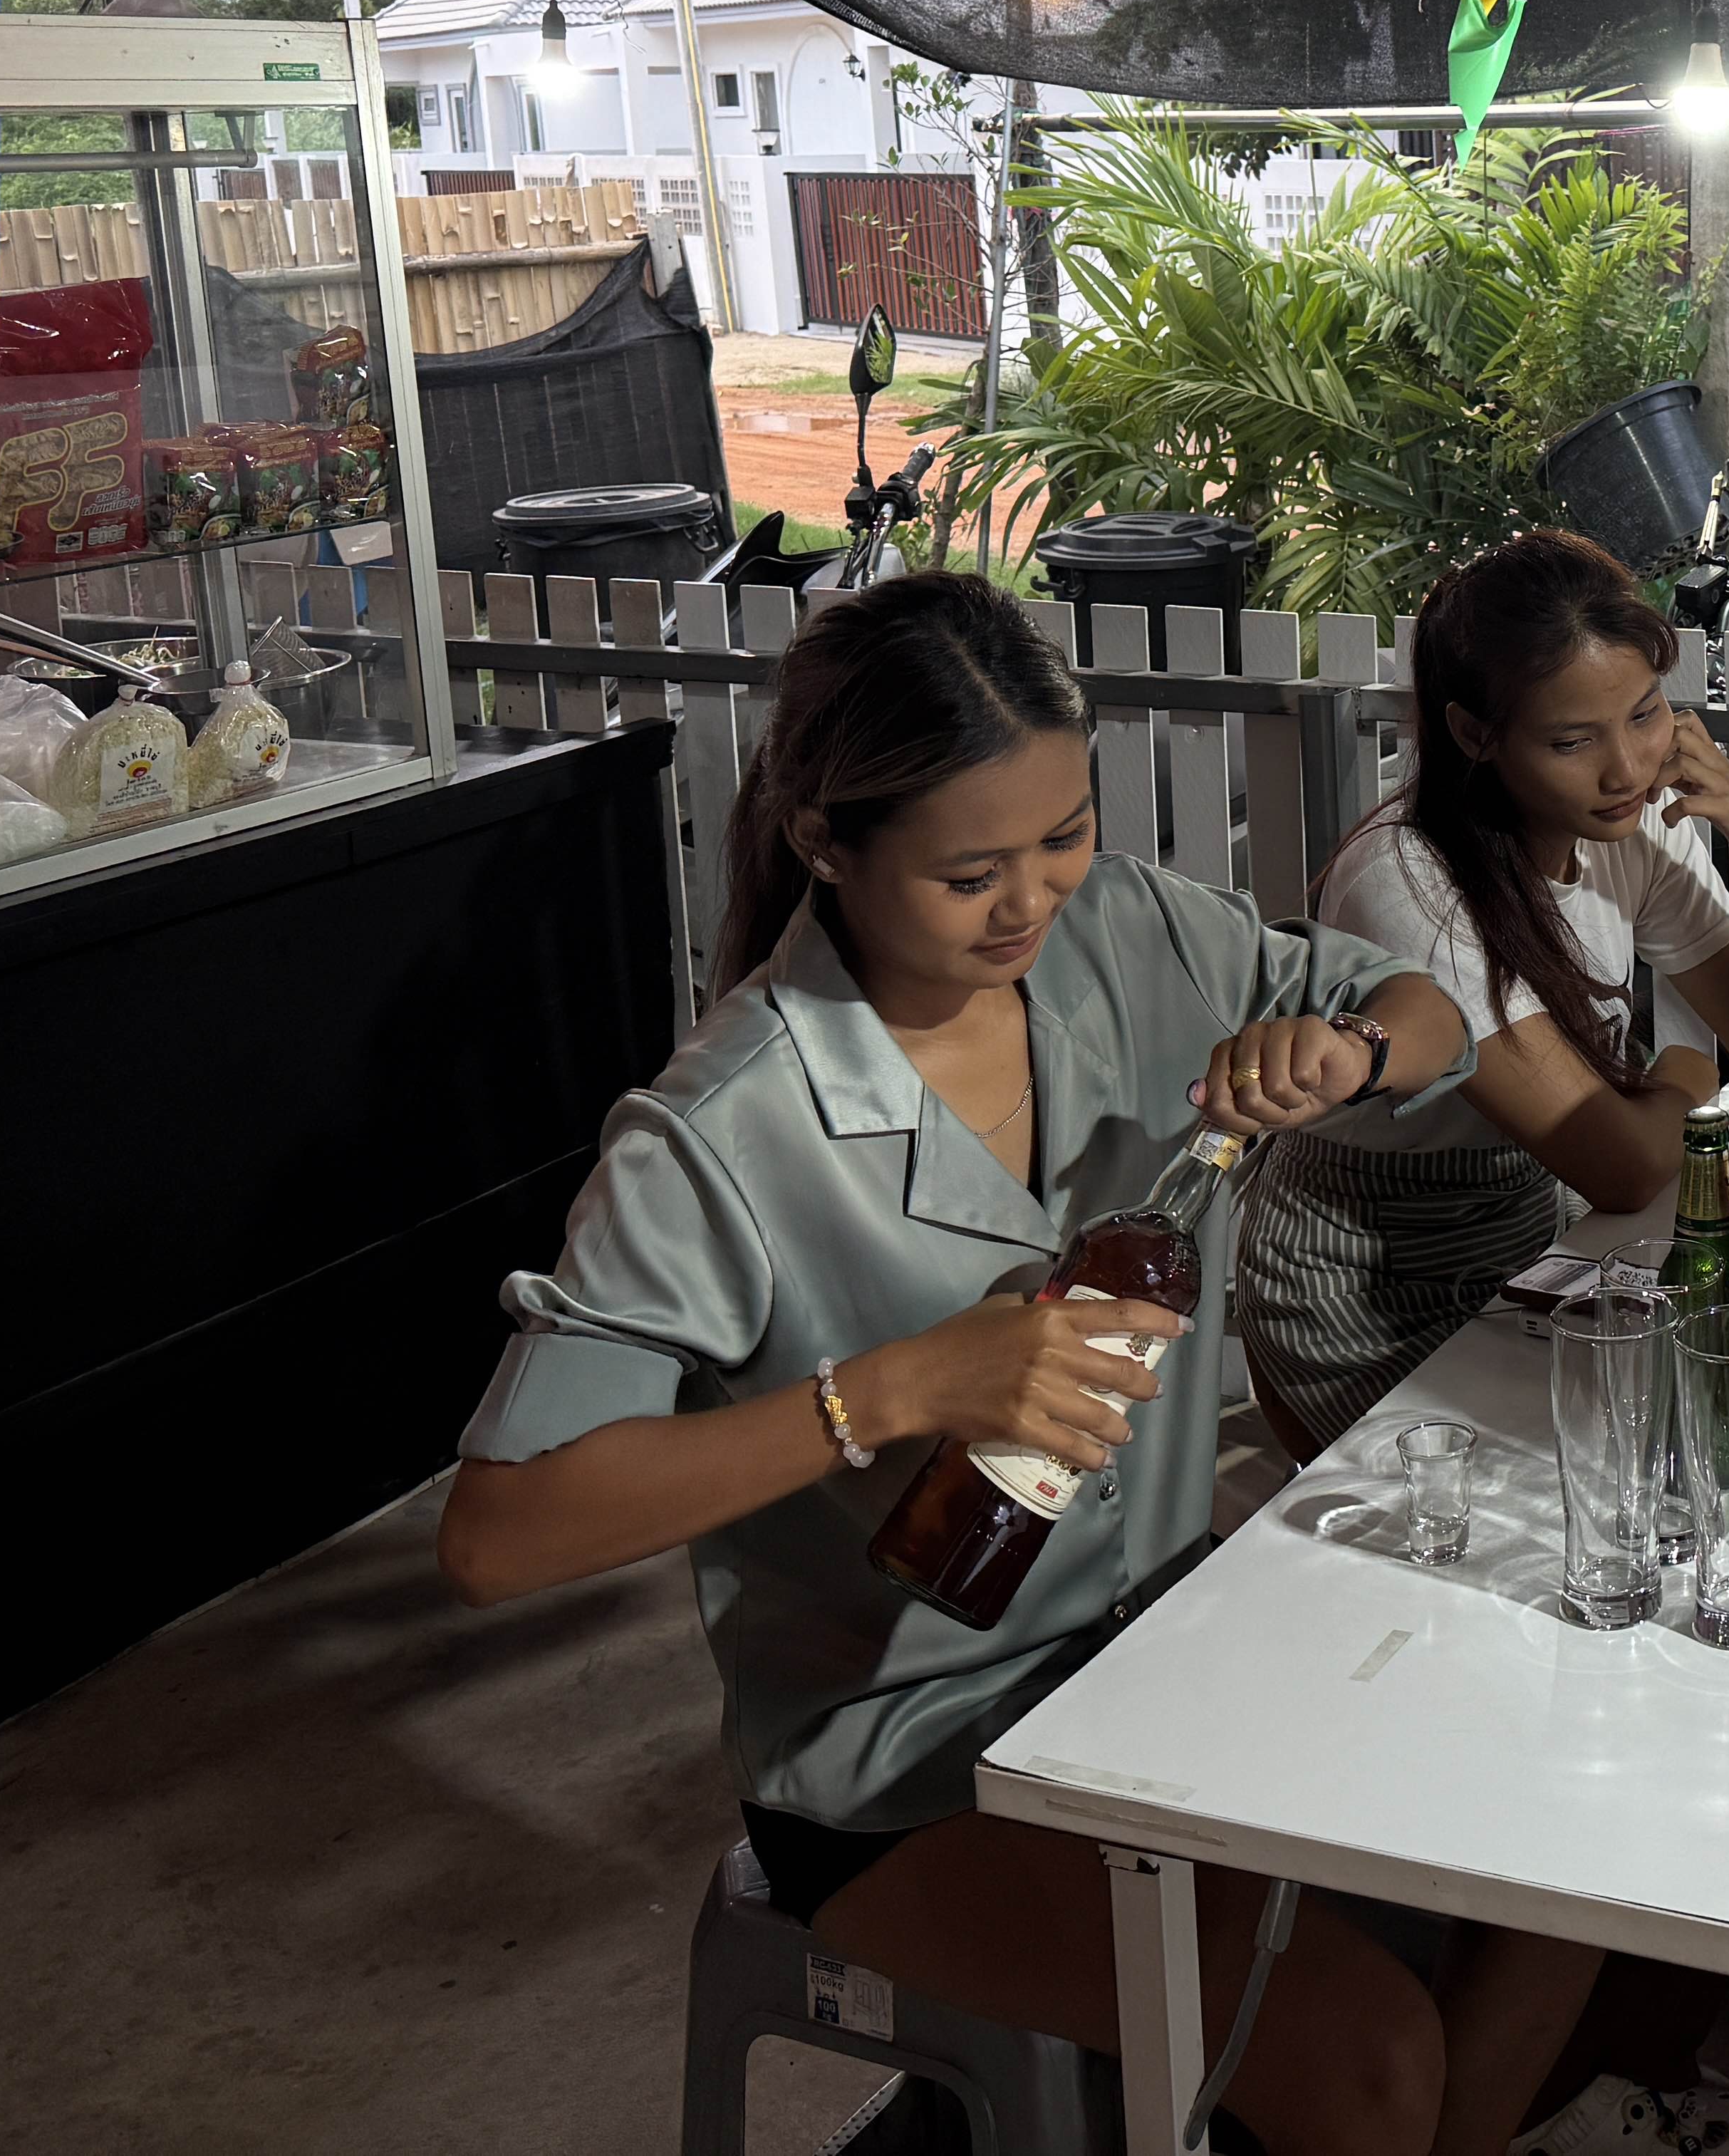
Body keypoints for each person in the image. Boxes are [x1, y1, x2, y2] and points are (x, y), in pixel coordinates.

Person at [437, 570, 1594, 2156]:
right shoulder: (721, 1135)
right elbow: (502, 1530)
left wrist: (1354, 1049)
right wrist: (894, 1391)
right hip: (911, 1758)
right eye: (970, 872)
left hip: (1168, 1645)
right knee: (1368, 2062)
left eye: (1066, 835)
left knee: (1578, 1829)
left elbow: (1424, 1010)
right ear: (826, 842)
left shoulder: (1131, 936)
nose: (1031, 901)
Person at [1235, 528, 1729, 1457]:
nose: (1626, 768)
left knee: (1681, 1452)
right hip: (1364, 1291)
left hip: (1535, 1242)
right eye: (1570, 740)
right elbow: (1623, 1166)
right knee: (1586, 1491)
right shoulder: (1409, 887)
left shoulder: (1631, 820)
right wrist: (1687, 1076)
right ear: (1475, 734)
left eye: (1645, 714)